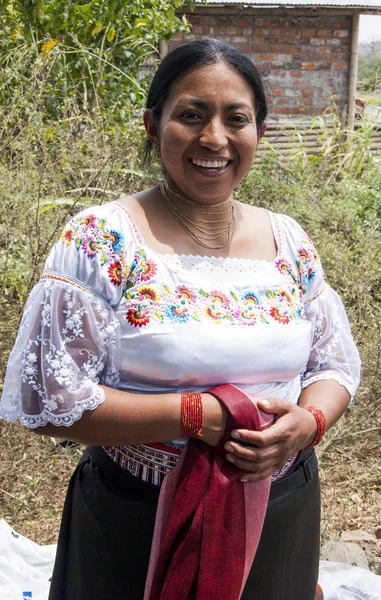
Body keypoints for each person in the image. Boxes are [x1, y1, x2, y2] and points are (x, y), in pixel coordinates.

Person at [0, 38, 360, 600]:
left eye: (235, 119)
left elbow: (334, 365)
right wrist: (198, 414)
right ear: (153, 125)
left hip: (281, 505)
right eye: (191, 115)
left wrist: (306, 426)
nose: (214, 138)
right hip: (137, 518)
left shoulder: (288, 240)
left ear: (259, 133)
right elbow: (47, 399)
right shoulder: (103, 239)